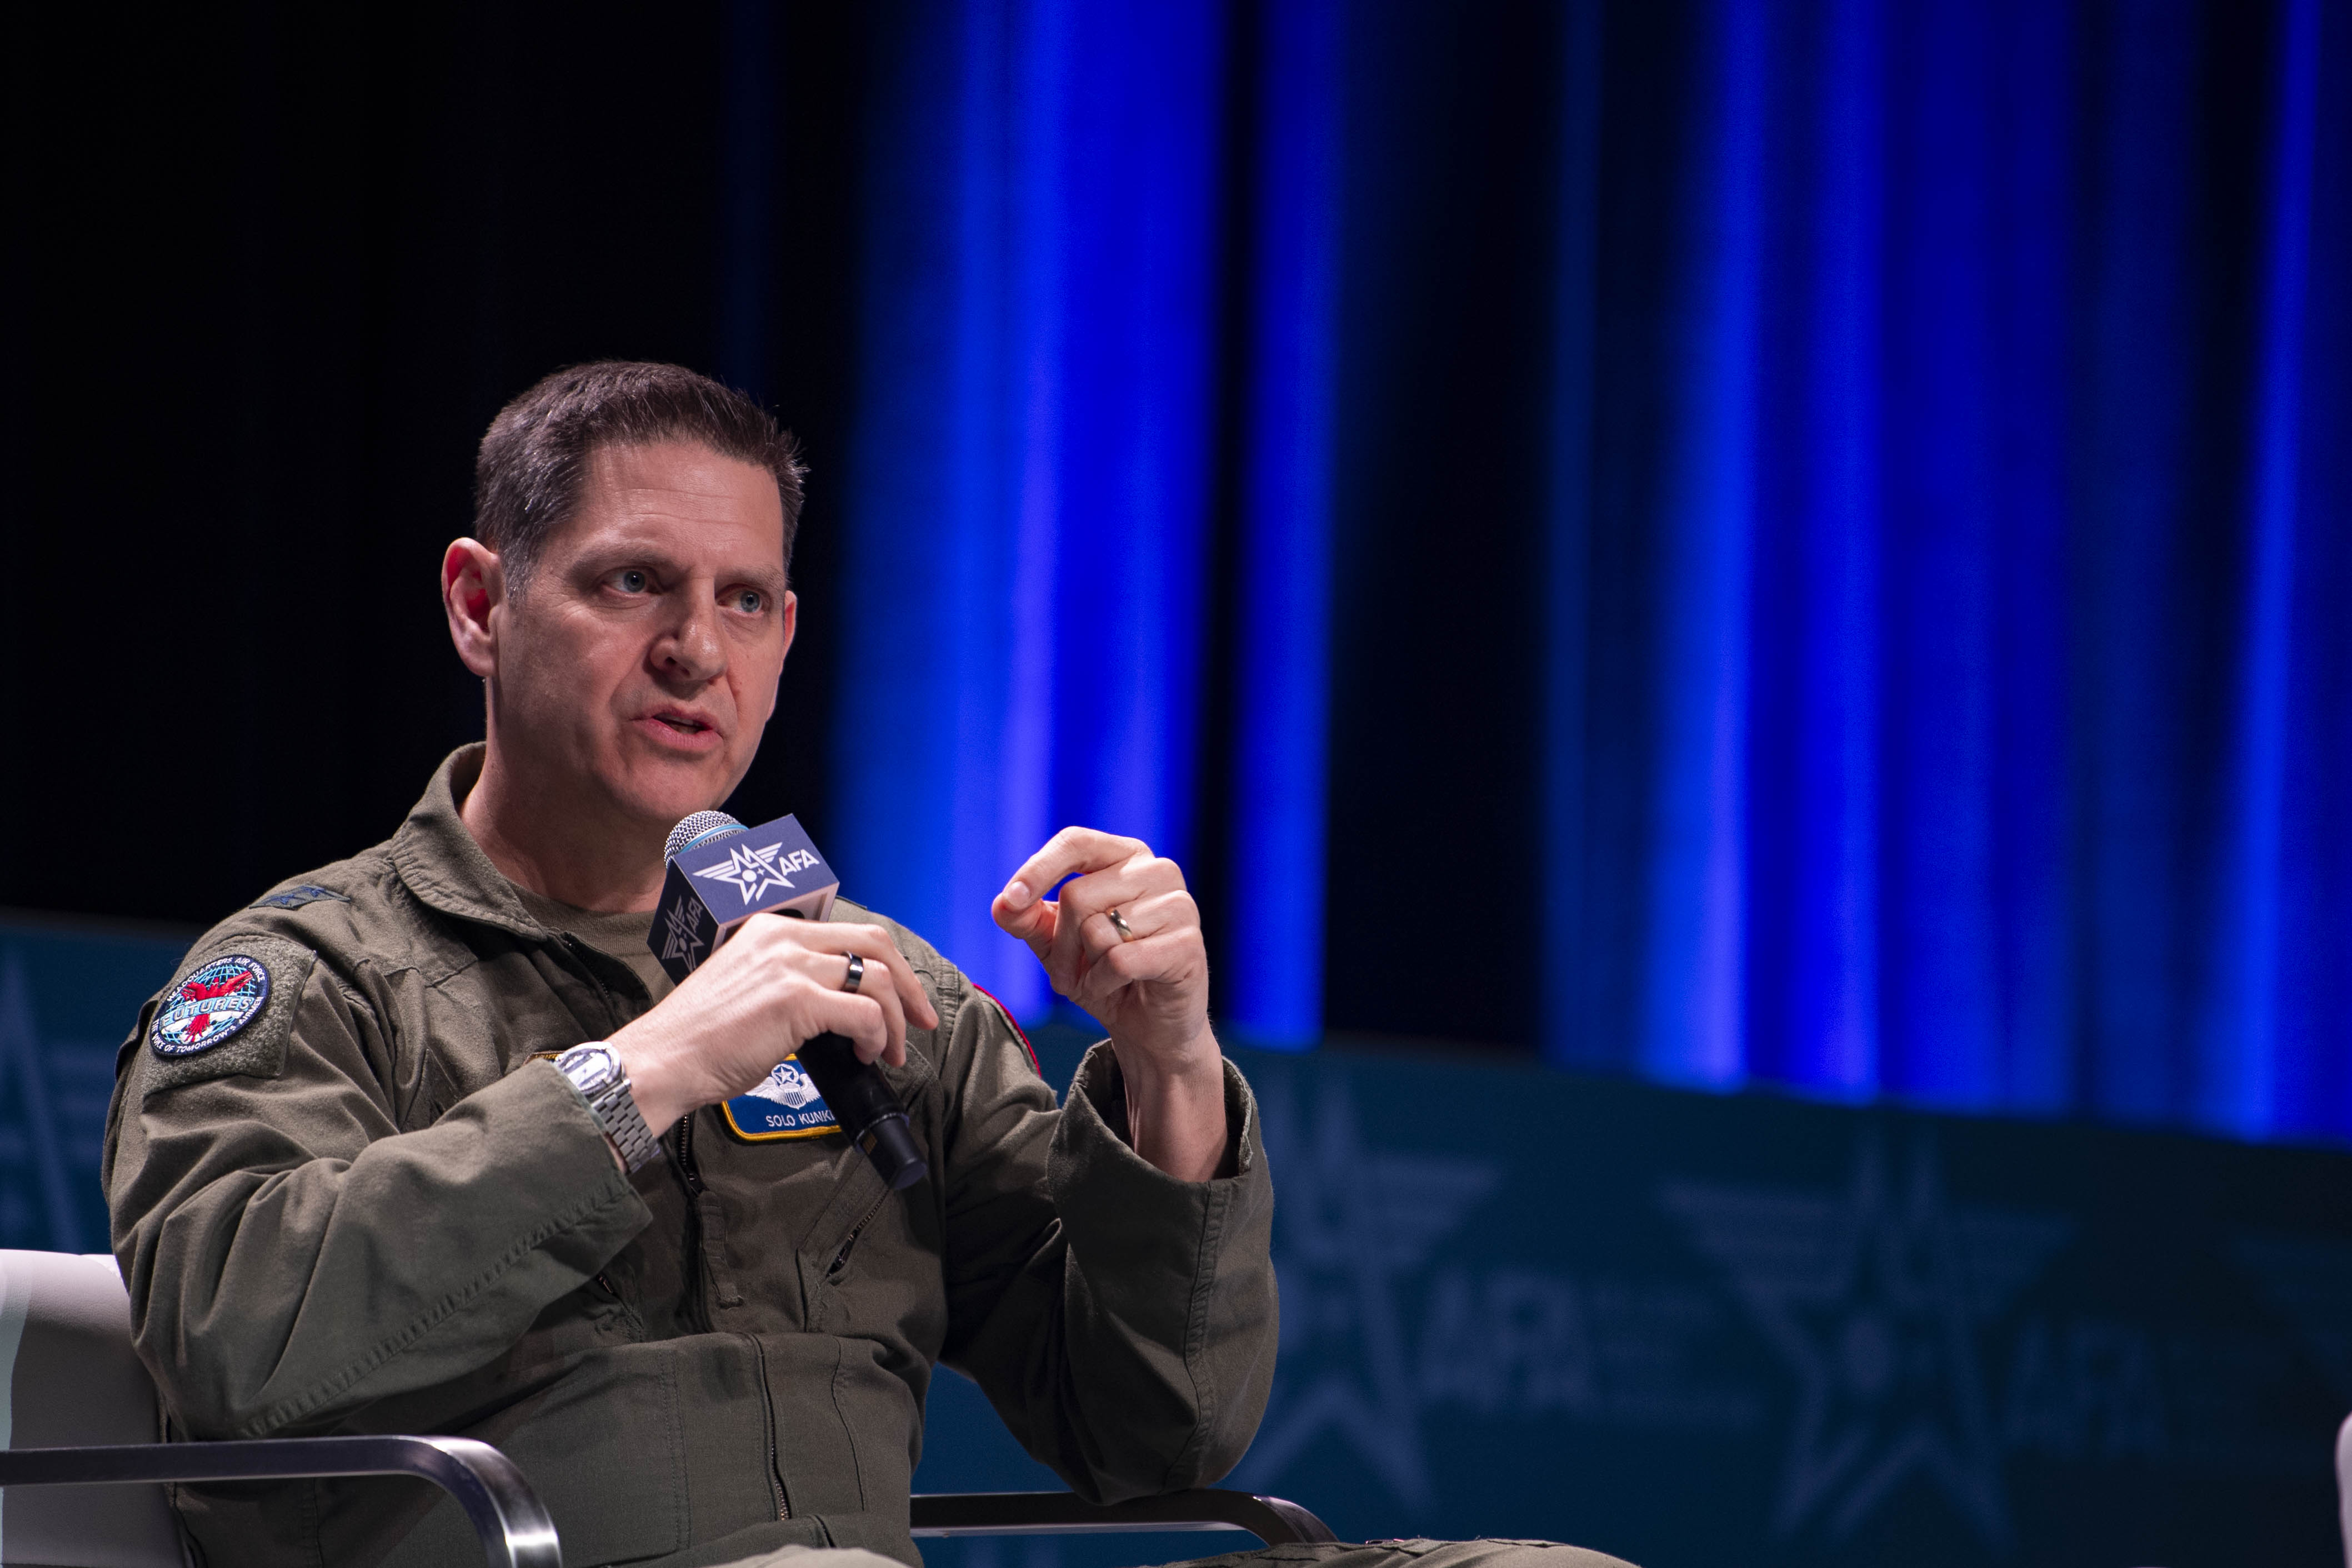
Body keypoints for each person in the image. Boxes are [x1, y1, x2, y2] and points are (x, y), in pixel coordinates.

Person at [104, 362, 1634, 1568]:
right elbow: (243, 1342)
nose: (696, 649)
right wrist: (643, 1073)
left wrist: (1168, 1064)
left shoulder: (865, 986)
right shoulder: (313, 973)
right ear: (480, 606)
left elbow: (1155, 1436)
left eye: (743, 601)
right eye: (632, 583)